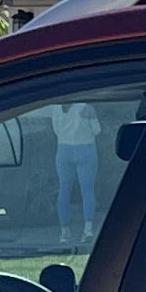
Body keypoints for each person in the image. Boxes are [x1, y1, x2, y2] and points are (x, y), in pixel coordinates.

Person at [55, 99, 104, 236]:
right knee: (87, 191)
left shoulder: (57, 107)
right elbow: (97, 130)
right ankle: (87, 229)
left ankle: (64, 231)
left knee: (64, 190)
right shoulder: (87, 107)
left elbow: (56, 130)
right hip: (85, 149)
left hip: (64, 150)